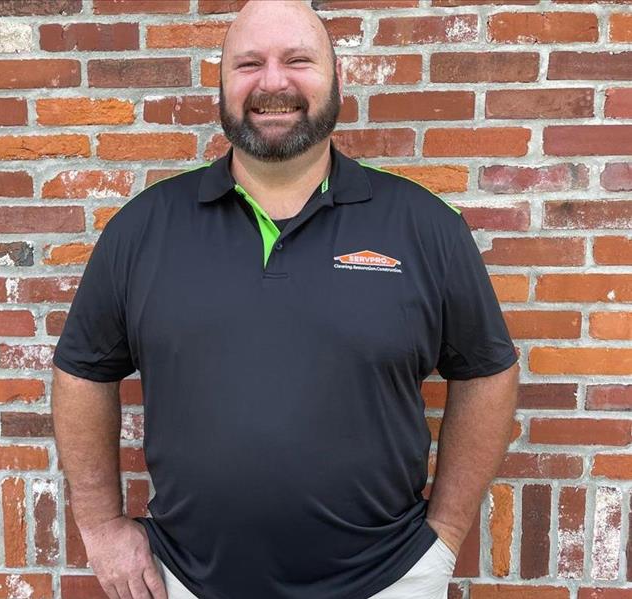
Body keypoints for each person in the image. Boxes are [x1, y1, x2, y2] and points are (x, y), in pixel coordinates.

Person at [50, 1, 520, 598]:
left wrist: (446, 533)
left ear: (335, 80)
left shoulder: (423, 227)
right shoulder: (144, 229)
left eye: (298, 60)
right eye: (249, 63)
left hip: (387, 581)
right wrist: (99, 525)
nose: (273, 82)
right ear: (221, 84)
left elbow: (488, 371)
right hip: (188, 581)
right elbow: (82, 372)